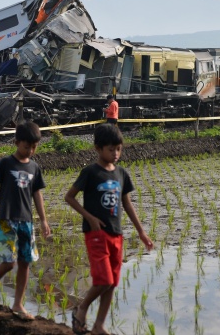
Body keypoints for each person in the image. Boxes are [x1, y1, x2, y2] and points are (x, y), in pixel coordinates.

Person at [64, 123, 153, 335]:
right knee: (104, 279)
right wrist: (89, 217)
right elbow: (69, 197)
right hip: (96, 233)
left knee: (112, 283)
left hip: (116, 234)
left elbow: (127, 204)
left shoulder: (122, 173)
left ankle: (98, 326)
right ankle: (82, 309)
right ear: (98, 149)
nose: (115, 154)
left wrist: (141, 232)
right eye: (111, 149)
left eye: (118, 149)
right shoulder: (90, 172)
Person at [0, 121, 51, 321]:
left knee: (25, 263)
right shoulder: (5, 164)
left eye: (34, 147)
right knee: (8, 263)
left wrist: (43, 220)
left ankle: (18, 304)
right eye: (26, 146)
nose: (30, 151)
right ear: (16, 142)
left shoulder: (34, 167)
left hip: (27, 222)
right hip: (7, 220)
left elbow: (37, 194)